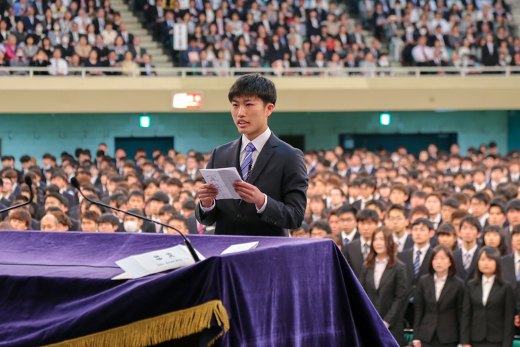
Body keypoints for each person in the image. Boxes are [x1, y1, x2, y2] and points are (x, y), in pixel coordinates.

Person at [195, 73, 308, 236]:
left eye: (248, 104)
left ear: (269, 109)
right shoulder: (219, 154)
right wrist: (206, 204)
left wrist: (262, 201)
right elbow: (207, 220)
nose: (240, 113)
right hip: (226, 253)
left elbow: (295, 217)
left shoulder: (289, 156)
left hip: (267, 253)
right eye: (235, 105)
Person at [360, 226, 408, 347]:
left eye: (382, 239)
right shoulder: (366, 266)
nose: (378, 243)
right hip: (369, 324)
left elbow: (401, 297)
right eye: (375, 239)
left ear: (389, 242)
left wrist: (386, 321)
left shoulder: (399, 268)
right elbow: (361, 294)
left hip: (391, 326)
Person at [460, 246, 515, 347]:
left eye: (490, 260)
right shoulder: (471, 285)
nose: (485, 263)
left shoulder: (505, 287)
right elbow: (466, 315)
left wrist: (506, 344)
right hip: (475, 339)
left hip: (497, 340)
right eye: (482, 259)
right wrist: (465, 342)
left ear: (497, 263)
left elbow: (508, 319)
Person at [413, 245, 464, 347]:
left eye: (442, 258)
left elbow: (461, 314)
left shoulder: (458, 284)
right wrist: (416, 336)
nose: (438, 262)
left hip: (449, 336)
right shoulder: (423, 281)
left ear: (450, 262)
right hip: (427, 335)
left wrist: (462, 341)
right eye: (435, 258)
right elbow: (419, 310)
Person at [343, 208, 379, 280]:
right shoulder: (349, 248)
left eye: (370, 223)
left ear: (377, 224)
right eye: (362, 224)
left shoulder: (381, 247)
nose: (366, 228)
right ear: (357, 224)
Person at [453, 215, 482, 282]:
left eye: (472, 229)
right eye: (464, 228)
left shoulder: (482, 255)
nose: (467, 232)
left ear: (478, 234)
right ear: (459, 233)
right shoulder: (453, 256)